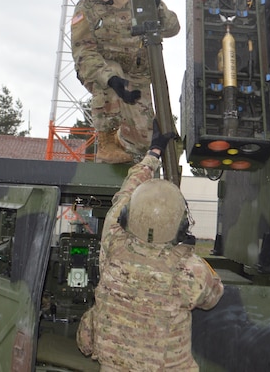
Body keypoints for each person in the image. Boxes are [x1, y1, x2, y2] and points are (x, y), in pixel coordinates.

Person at [77, 129, 224, 370]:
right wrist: (187, 252)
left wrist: (153, 153)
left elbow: (126, 192)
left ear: (128, 216)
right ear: (181, 226)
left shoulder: (113, 241)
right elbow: (213, 296)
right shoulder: (190, 270)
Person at [71, 0, 181, 163]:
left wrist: (156, 5)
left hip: (138, 76)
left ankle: (127, 147)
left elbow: (172, 28)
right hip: (106, 72)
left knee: (144, 140)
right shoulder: (87, 8)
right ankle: (107, 142)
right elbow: (83, 52)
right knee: (111, 73)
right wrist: (110, 79)